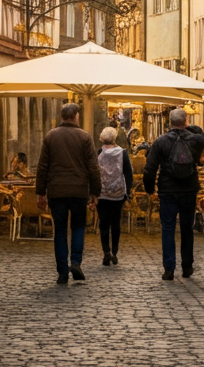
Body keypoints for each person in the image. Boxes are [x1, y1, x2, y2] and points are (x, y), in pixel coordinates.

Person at [36, 103, 101, 284]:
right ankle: (75, 262)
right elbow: (93, 167)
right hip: (79, 190)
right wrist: (95, 192)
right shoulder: (85, 137)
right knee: (79, 227)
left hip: (56, 191)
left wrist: (40, 191)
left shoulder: (51, 136)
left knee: (60, 231)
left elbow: (43, 166)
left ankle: (62, 271)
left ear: (63, 116)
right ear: (76, 116)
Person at [142, 108, 204, 280]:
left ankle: (169, 268)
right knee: (187, 229)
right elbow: (202, 135)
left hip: (167, 190)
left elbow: (150, 168)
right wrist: (189, 127)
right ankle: (187, 266)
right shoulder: (195, 140)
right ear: (186, 121)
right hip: (188, 189)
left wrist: (149, 188)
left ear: (169, 122)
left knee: (168, 229)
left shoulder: (161, 141)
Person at [95, 126, 134, 266]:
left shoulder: (99, 152)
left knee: (103, 224)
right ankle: (115, 252)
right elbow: (128, 173)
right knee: (116, 223)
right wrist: (127, 191)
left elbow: (95, 171)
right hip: (118, 193)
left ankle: (106, 252)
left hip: (103, 193)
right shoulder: (122, 153)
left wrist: (94, 191)